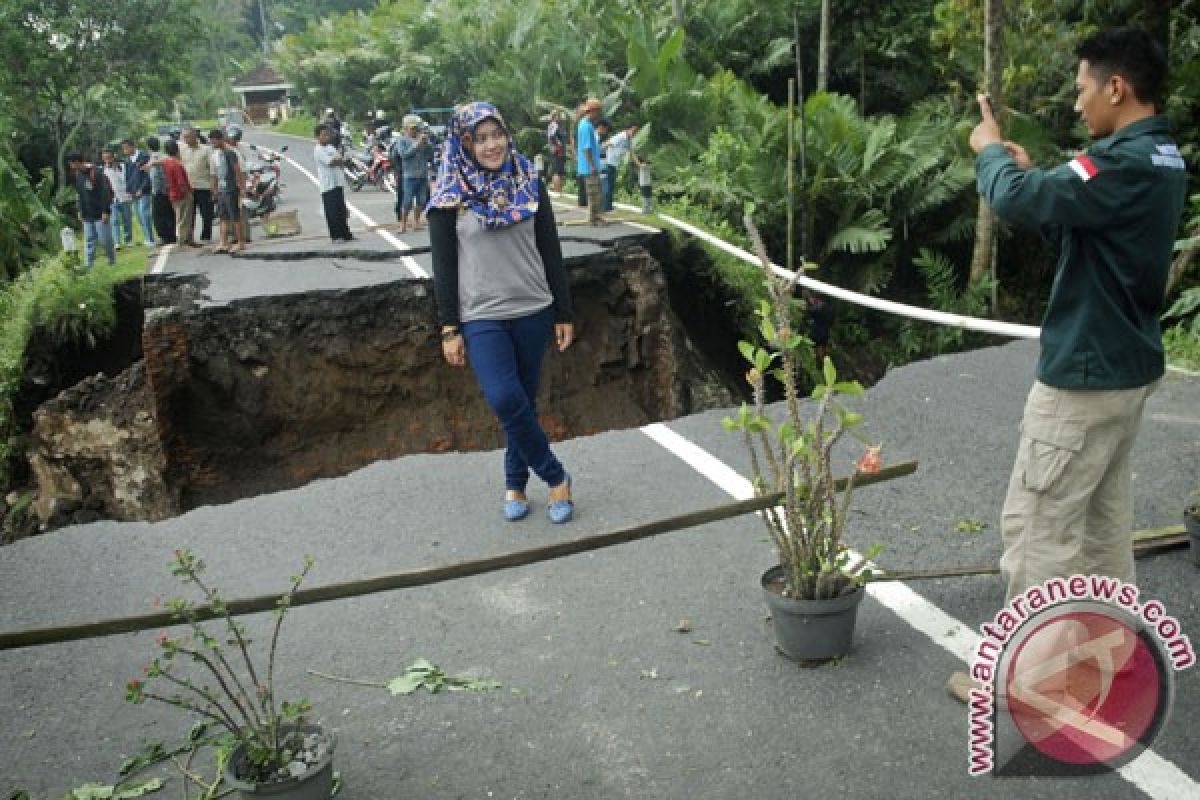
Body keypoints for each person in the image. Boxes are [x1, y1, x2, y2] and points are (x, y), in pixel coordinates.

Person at [948, 26, 1188, 702]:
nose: (1077, 103)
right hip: (1127, 370)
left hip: (1084, 378)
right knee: (1102, 532)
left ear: (1116, 87)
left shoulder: (1121, 162)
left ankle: (1029, 680)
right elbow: (1076, 220)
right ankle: (1107, 659)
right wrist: (1026, 172)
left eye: (1083, 88)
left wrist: (991, 155)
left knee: (1039, 530)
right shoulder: (1161, 156)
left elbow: (1019, 202)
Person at [427, 102, 576, 524]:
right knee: (505, 397)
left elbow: (550, 248)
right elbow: (443, 267)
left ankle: (514, 482)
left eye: (498, 135)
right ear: (465, 142)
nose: (492, 145)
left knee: (522, 402)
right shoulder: (449, 195)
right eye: (481, 137)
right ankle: (555, 475)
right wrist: (448, 327)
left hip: (533, 307)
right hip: (480, 314)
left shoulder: (528, 180)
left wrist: (563, 311)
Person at [66, 152, 115, 269]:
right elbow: (80, 195)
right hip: (87, 214)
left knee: (105, 239)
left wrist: (105, 211)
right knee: (89, 240)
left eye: (71, 163)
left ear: (77, 162)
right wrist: (80, 211)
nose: (71, 166)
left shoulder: (96, 172)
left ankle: (111, 260)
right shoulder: (78, 175)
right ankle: (89, 265)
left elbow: (105, 193)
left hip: (100, 213)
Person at [314, 124, 354, 242]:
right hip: (328, 185)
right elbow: (331, 162)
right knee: (332, 212)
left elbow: (340, 160)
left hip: (337, 182)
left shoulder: (331, 148)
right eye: (324, 135)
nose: (327, 137)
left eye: (328, 134)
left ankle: (346, 234)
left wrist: (338, 160)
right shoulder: (318, 150)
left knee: (341, 209)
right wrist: (338, 160)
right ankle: (336, 236)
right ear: (318, 137)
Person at [207, 129, 244, 254]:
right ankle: (223, 242)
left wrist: (241, 187)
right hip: (222, 189)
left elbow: (237, 169)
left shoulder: (230, 153)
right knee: (222, 216)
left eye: (215, 140)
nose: (213, 143)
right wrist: (215, 190)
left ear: (221, 139)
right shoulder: (217, 154)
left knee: (235, 216)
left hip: (231, 188)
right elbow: (215, 174)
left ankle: (240, 242)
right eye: (211, 140)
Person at [395, 115, 435, 232]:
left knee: (421, 201)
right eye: (412, 128)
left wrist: (427, 144)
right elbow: (404, 155)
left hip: (422, 175)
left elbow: (429, 156)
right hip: (409, 175)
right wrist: (416, 145)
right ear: (406, 128)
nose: (415, 130)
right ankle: (403, 224)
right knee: (407, 201)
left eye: (416, 128)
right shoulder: (402, 140)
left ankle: (416, 222)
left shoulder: (422, 139)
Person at [179, 125, 214, 245]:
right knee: (189, 214)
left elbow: (212, 168)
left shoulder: (206, 149)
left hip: (204, 186)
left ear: (195, 136)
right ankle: (189, 237)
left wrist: (214, 186)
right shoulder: (182, 150)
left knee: (206, 212)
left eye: (188, 137)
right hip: (188, 187)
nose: (186, 139)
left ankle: (206, 235)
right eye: (184, 137)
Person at [121, 139, 155, 250]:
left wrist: (142, 188)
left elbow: (147, 174)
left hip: (144, 191)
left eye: (126, 148)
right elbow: (128, 177)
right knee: (139, 216)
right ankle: (146, 237)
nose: (125, 150)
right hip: (133, 192)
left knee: (144, 214)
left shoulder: (143, 156)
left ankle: (150, 239)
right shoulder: (127, 160)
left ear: (132, 146)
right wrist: (128, 191)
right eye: (123, 148)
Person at [575, 98, 605, 224]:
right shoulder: (586, 126)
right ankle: (593, 218)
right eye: (598, 111)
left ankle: (596, 216)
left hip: (590, 165)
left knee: (596, 192)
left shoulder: (585, 123)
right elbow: (586, 148)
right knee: (593, 193)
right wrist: (592, 165)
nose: (599, 114)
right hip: (589, 166)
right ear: (592, 111)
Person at [144, 136, 176, 245]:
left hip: (159, 191)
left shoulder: (155, 158)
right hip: (165, 189)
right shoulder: (163, 156)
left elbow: (158, 175)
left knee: (159, 215)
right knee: (169, 213)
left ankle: (165, 236)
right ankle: (171, 235)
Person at [601, 122, 639, 212]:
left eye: (636, 131)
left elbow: (632, 153)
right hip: (609, 163)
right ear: (627, 129)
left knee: (611, 185)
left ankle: (607, 206)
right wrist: (603, 157)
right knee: (608, 185)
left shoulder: (629, 139)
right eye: (633, 130)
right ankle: (606, 208)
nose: (635, 133)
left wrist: (639, 164)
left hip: (614, 164)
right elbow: (606, 144)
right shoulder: (621, 137)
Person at [101, 147, 133, 250]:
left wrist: (116, 169)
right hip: (111, 199)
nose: (108, 160)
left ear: (113, 156)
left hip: (124, 196)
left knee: (127, 219)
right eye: (105, 158)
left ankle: (128, 240)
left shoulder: (122, 166)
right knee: (114, 221)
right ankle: (117, 242)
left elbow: (126, 179)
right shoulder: (102, 171)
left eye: (109, 157)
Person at [226, 126, 252, 245]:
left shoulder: (240, 150)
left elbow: (244, 168)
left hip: (240, 181)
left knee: (242, 209)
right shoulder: (224, 150)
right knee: (230, 210)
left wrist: (243, 186)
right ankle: (234, 235)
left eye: (235, 139)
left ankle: (245, 235)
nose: (233, 141)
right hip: (228, 183)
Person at [161, 139, 192, 241]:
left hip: (172, 193)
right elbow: (181, 182)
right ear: (177, 150)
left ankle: (184, 239)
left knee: (179, 217)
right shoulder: (177, 164)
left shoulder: (166, 162)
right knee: (184, 219)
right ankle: (182, 240)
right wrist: (187, 193)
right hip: (181, 194)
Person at [546, 109, 569, 193]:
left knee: (561, 172)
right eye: (557, 116)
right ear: (553, 117)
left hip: (561, 151)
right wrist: (556, 146)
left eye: (559, 116)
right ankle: (557, 191)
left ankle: (559, 190)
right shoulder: (553, 125)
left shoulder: (559, 126)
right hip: (557, 151)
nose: (559, 117)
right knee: (557, 171)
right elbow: (552, 137)